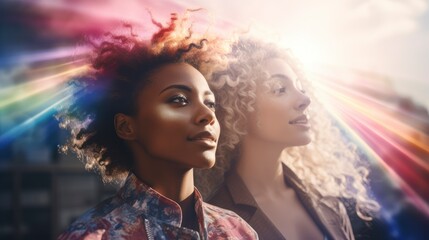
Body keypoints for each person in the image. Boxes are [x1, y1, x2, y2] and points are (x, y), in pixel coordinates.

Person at [56, 13, 257, 240]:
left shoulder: (238, 231)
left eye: (210, 103)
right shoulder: (93, 235)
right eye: (179, 99)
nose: (208, 115)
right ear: (126, 126)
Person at [197, 38, 381, 240]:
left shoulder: (331, 208)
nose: (305, 100)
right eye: (279, 89)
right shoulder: (213, 221)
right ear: (238, 107)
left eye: (300, 88)